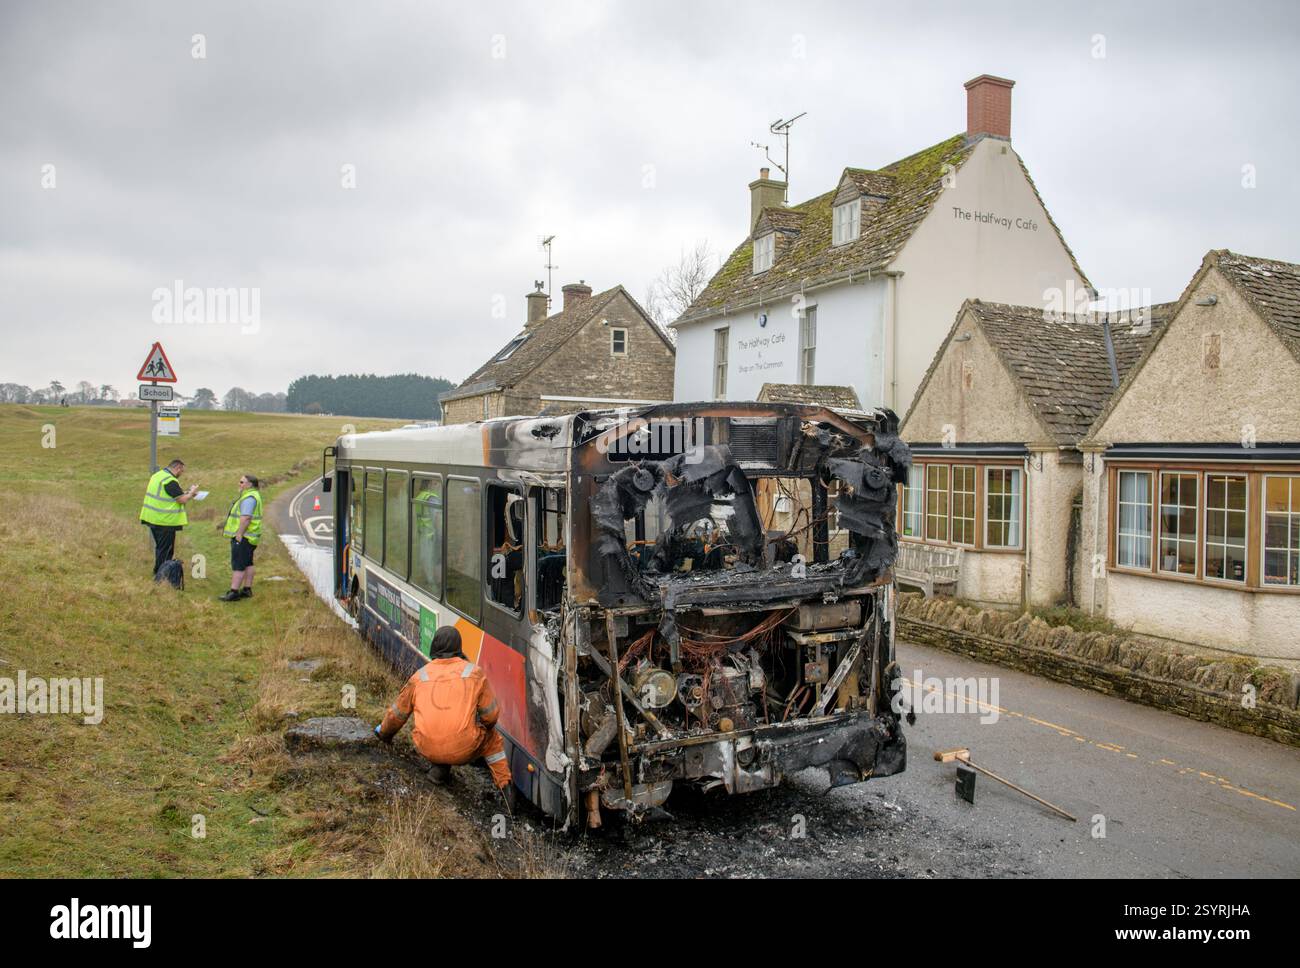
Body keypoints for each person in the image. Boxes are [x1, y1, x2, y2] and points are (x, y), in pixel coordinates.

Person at [374, 627, 514, 808]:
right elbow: (491, 715)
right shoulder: (474, 673)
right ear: (459, 648)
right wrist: (483, 727)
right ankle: (506, 790)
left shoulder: (419, 675)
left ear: (434, 648)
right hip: (464, 748)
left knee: (437, 728)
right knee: (492, 738)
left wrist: (384, 734)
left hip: (426, 746)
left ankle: (439, 771)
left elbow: (397, 715)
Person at [139, 459, 200, 577]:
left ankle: (158, 573)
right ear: (177, 468)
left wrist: (186, 492)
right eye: (182, 471)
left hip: (152, 518)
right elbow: (181, 500)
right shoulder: (170, 480)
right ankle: (161, 576)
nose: (181, 474)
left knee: (160, 548)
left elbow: (169, 494)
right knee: (166, 550)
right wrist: (191, 493)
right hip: (165, 521)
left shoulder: (158, 475)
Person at [219, 474, 263, 602]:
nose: (239, 484)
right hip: (251, 537)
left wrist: (239, 534)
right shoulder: (254, 495)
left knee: (238, 564)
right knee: (248, 563)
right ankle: (247, 589)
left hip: (244, 537)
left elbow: (246, 518)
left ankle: (234, 592)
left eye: (242, 482)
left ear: (249, 484)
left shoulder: (249, 497)